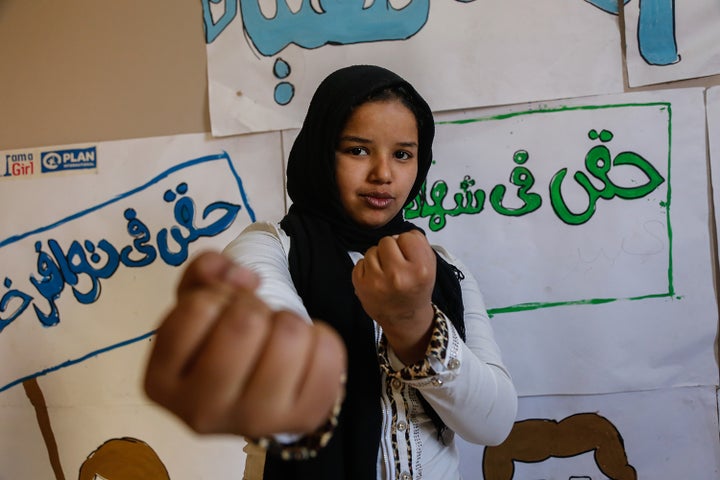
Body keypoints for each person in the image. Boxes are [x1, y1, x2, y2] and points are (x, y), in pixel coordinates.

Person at [144, 65, 517, 479]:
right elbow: (277, 350)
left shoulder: (443, 268)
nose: (383, 174)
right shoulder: (271, 247)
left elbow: (493, 422)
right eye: (357, 150)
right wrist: (258, 366)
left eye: (402, 154)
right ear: (321, 151)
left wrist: (414, 325)